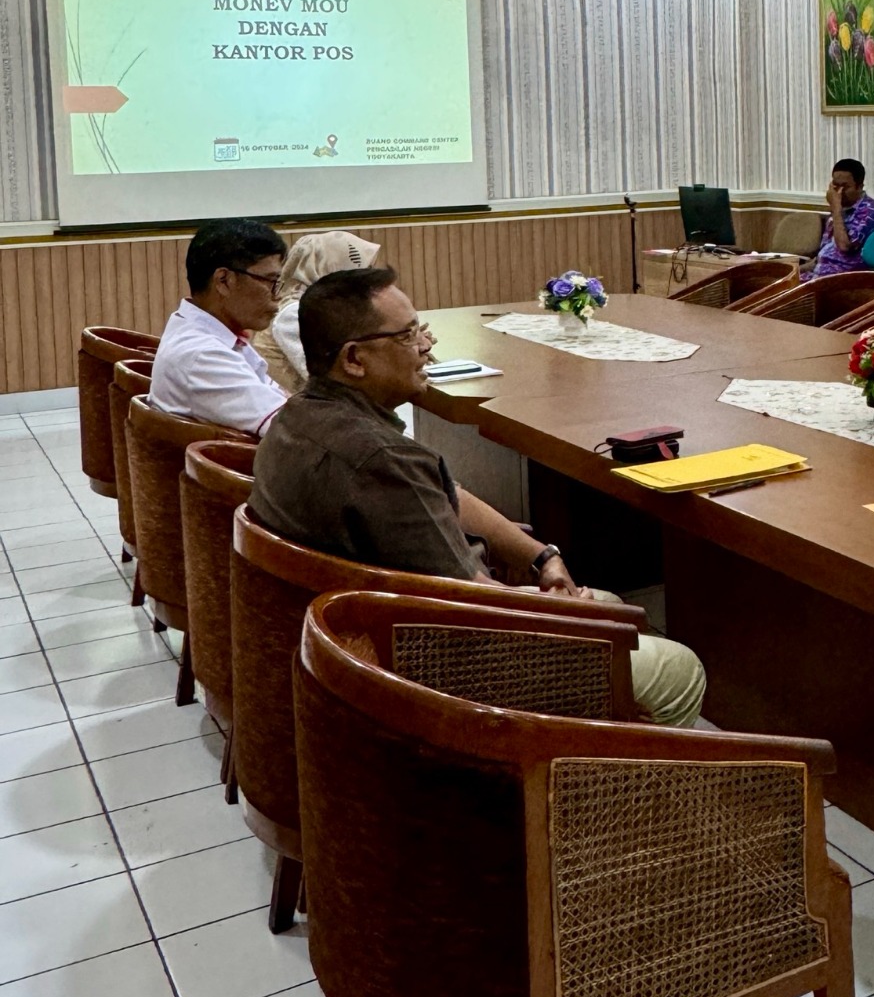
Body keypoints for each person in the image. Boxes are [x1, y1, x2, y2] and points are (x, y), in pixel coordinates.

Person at [249, 266, 706, 728]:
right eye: (407, 336)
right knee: (676, 666)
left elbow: (449, 497)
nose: (426, 346)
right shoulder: (380, 460)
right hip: (446, 668)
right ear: (354, 359)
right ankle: (607, 786)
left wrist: (542, 557)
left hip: (370, 636)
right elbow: (472, 603)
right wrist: (552, 608)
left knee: (607, 603)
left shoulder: (298, 419)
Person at [150, 218, 289, 436]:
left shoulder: (214, 335)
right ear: (224, 280)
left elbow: (282, 399)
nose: (277, 296)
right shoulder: (202, 355)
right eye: (270, 281)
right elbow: (294, 430)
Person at [256, 230, 382, 393]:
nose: (365, 281)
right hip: (300, 413)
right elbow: (327, 377)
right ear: (331, 268)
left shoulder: (325, 306)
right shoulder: (295, 312)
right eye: (359, 271)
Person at [810, 159, 874, 277]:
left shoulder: (869, 211)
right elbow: (825, 255)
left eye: (845, 187)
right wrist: (794, 270)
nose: (839, 193)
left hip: (845, 278)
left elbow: (844, 246)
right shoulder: (840, 209)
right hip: (820, 273)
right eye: (835, 186)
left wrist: (836, 209)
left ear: (859, 187)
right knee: (778, 282)